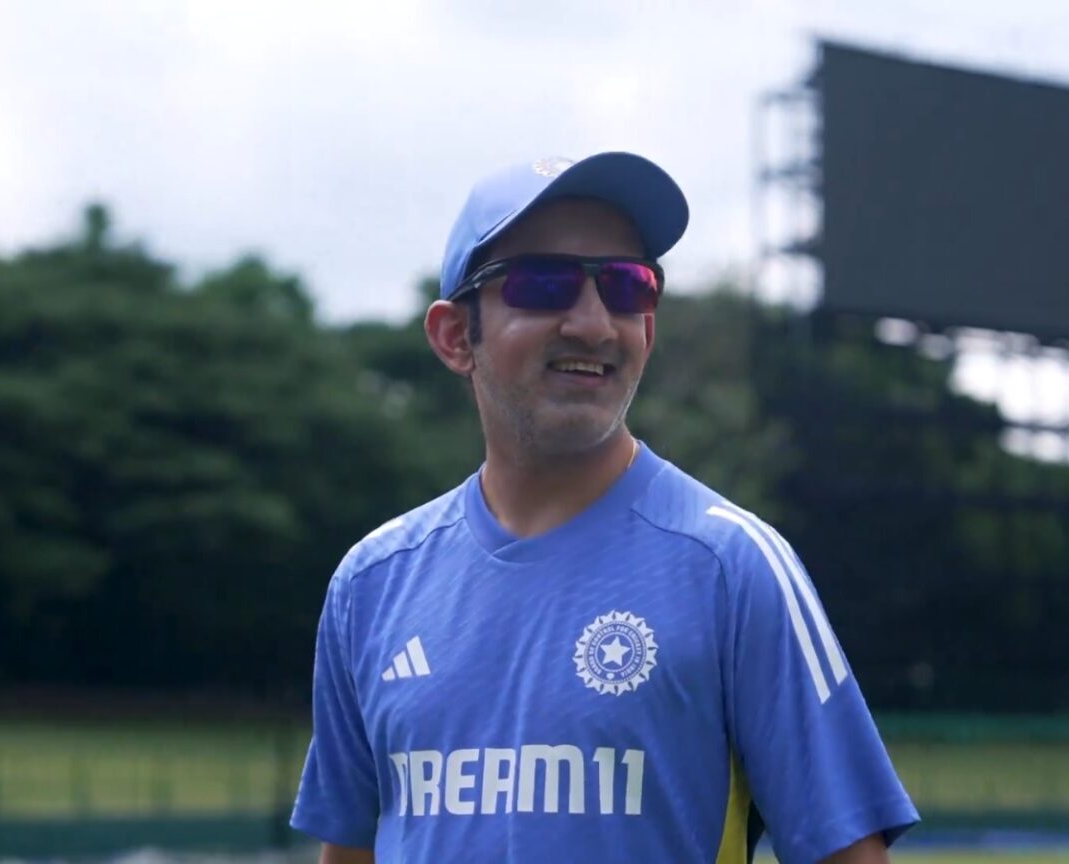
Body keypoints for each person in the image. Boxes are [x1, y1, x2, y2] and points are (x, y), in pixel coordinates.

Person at [290, 152, 919, 863]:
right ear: (454, 336)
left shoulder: (732, 567)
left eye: (627, 287)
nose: (594, 323)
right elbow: (353, 847)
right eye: (544, 282)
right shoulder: (372, 583)